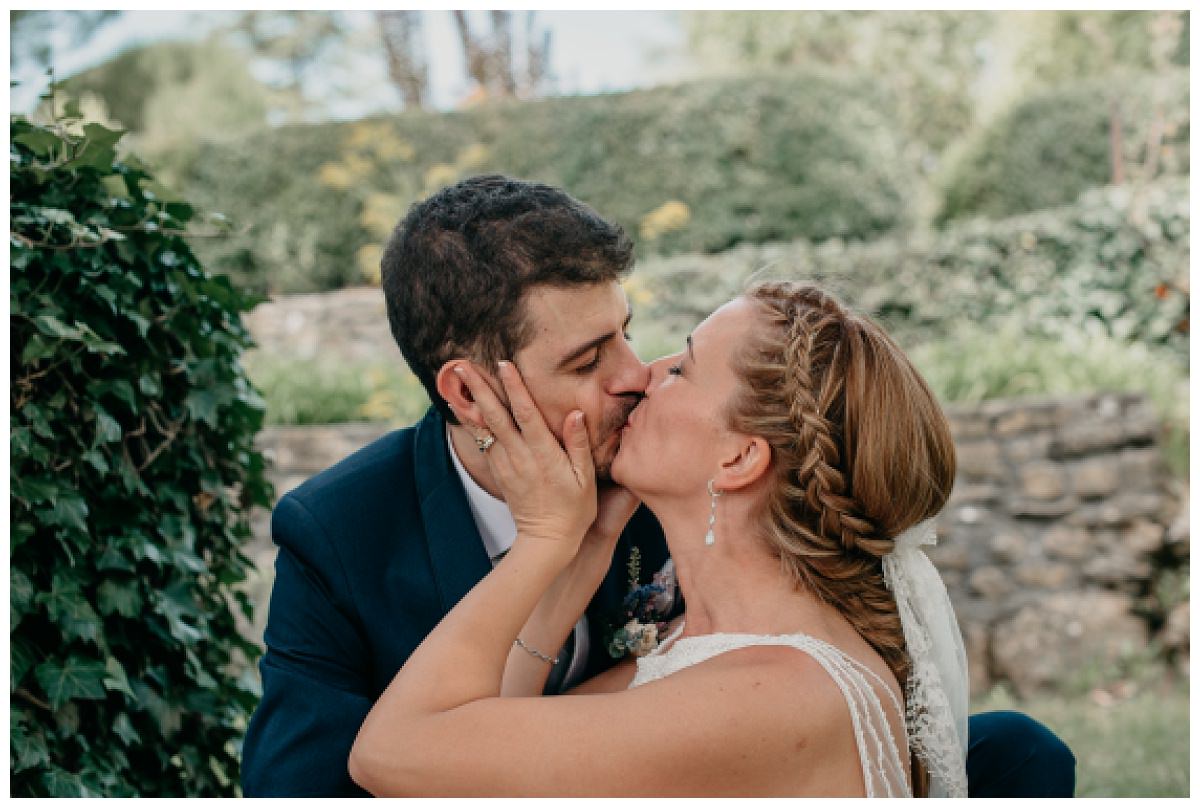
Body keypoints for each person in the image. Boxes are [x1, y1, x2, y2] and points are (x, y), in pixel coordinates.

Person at [241, 176, 1075, 796]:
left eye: (635, 339)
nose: (638, 378)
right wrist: (572, 543)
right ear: (466, 393)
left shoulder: (669, 497)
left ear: (742, 460)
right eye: (585, 360)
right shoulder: (340, 530)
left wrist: (549, 542)